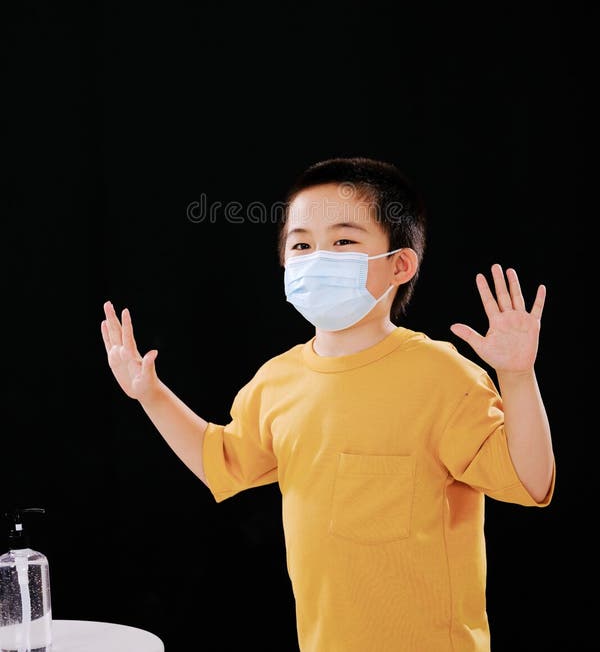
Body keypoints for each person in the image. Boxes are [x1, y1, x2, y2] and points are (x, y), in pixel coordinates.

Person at [100, 156, 555, 652]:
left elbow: (530, 480)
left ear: (400, 264)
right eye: (301, 244)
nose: (317, 257)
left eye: (343, 241)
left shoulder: (442, 377)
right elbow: (220, 461)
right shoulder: (277, 381)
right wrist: (151, 394)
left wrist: (516, 376)